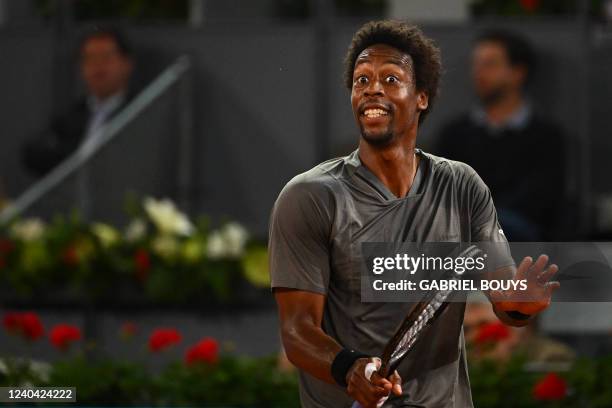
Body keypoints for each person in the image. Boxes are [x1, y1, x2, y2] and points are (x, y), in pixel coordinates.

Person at [269, 20, 560, 408]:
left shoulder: (462, 185)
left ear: (421, 97)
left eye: (390, 79)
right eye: (361, 80)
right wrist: (350, 369)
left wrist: (520, 306)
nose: (372, 88)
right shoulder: (309, 196)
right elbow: (297, 330)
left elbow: (504, 298)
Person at [434, 30, 567, 241]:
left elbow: (541, 199)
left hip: (519, 238)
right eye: (476, 64)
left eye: (490, 65)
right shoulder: (455, 133)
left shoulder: (546, 137)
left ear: (518, 73)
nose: (478, 73)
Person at [22, 26, 134, 176]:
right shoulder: (70, 116)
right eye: (90, 59)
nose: (98, 66)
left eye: (106, 57)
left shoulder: (139, 109)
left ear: (126, 64)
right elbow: (34, 153)